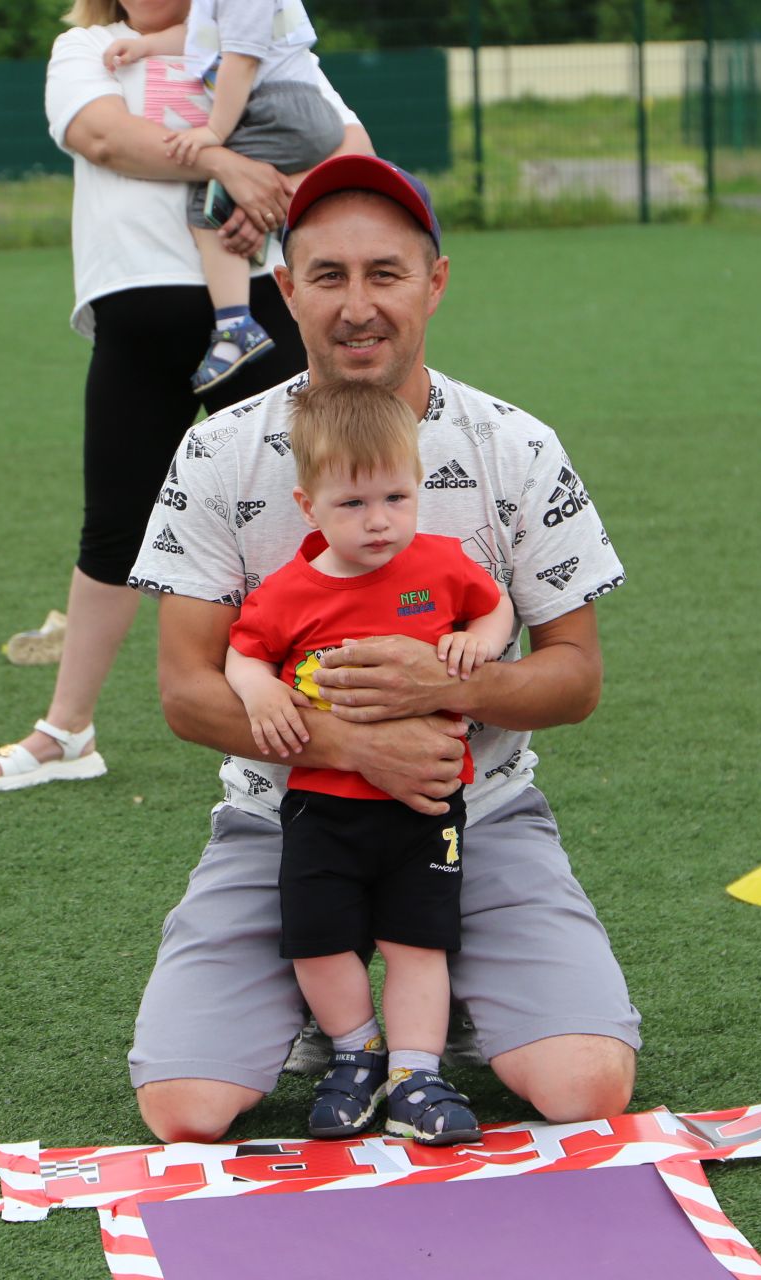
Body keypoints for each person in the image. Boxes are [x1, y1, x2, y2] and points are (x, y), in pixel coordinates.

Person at [123, 153, 640, 1144]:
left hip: (474, 815)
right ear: (285, 289)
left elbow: (575, 674)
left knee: (587, 1082)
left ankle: (440, 1010)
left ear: (434, 281)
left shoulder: (513, 445)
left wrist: (460, 678)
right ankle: (348, 1020)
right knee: (184, 1104)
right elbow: (189, 692)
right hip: (282, 819)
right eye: (327, 276)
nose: (359, 306)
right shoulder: (220, 450)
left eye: (386, 273)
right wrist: (347, 744)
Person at [0, 0, 369, 793]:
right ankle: (68, 730)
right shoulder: (89, 46)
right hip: (139, 317)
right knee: (116, 525)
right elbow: (103, 137)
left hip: (264, 309)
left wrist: (277, 188)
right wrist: (225, 165)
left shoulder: (249, 32)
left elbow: (348, 147)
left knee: (313, 516)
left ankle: (331, 714)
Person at [225, 381, 516, 1144]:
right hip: (322, 808)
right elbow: (242, 651)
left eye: (396, 495)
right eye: (353, 504)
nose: (379, 520)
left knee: (418, 941)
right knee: (319, 940)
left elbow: (494, 604)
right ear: (308, 504)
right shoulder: (291, 591)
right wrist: (259, 694)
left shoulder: (441, 565)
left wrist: (481, 641)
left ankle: (418, 1073)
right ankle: (357, 1054)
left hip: (425, 806)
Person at [99, 0, 343, 395]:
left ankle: (235, 325)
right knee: (228, 193)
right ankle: (266, 240)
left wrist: (214, 132)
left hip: (279, 108)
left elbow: (240, 60)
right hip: (285, 109)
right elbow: (201, 40)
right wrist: (145, 47)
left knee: (206, 202)